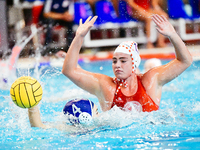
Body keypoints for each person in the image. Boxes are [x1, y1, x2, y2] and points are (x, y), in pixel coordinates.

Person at [62, 14, 193, 113]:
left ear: (134, 64)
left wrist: (172, 35)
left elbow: (185, 61)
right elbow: (69, 71)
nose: (117, 65)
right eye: (114, 61)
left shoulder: (150, 80)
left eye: (123, 61)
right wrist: (78, 37)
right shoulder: (106, 86)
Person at [28, 98, 99, 130]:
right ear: (85, 117)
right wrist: (32, 104)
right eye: (96, 112)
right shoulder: (70, 129)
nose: (99, 115)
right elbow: (38, 126)